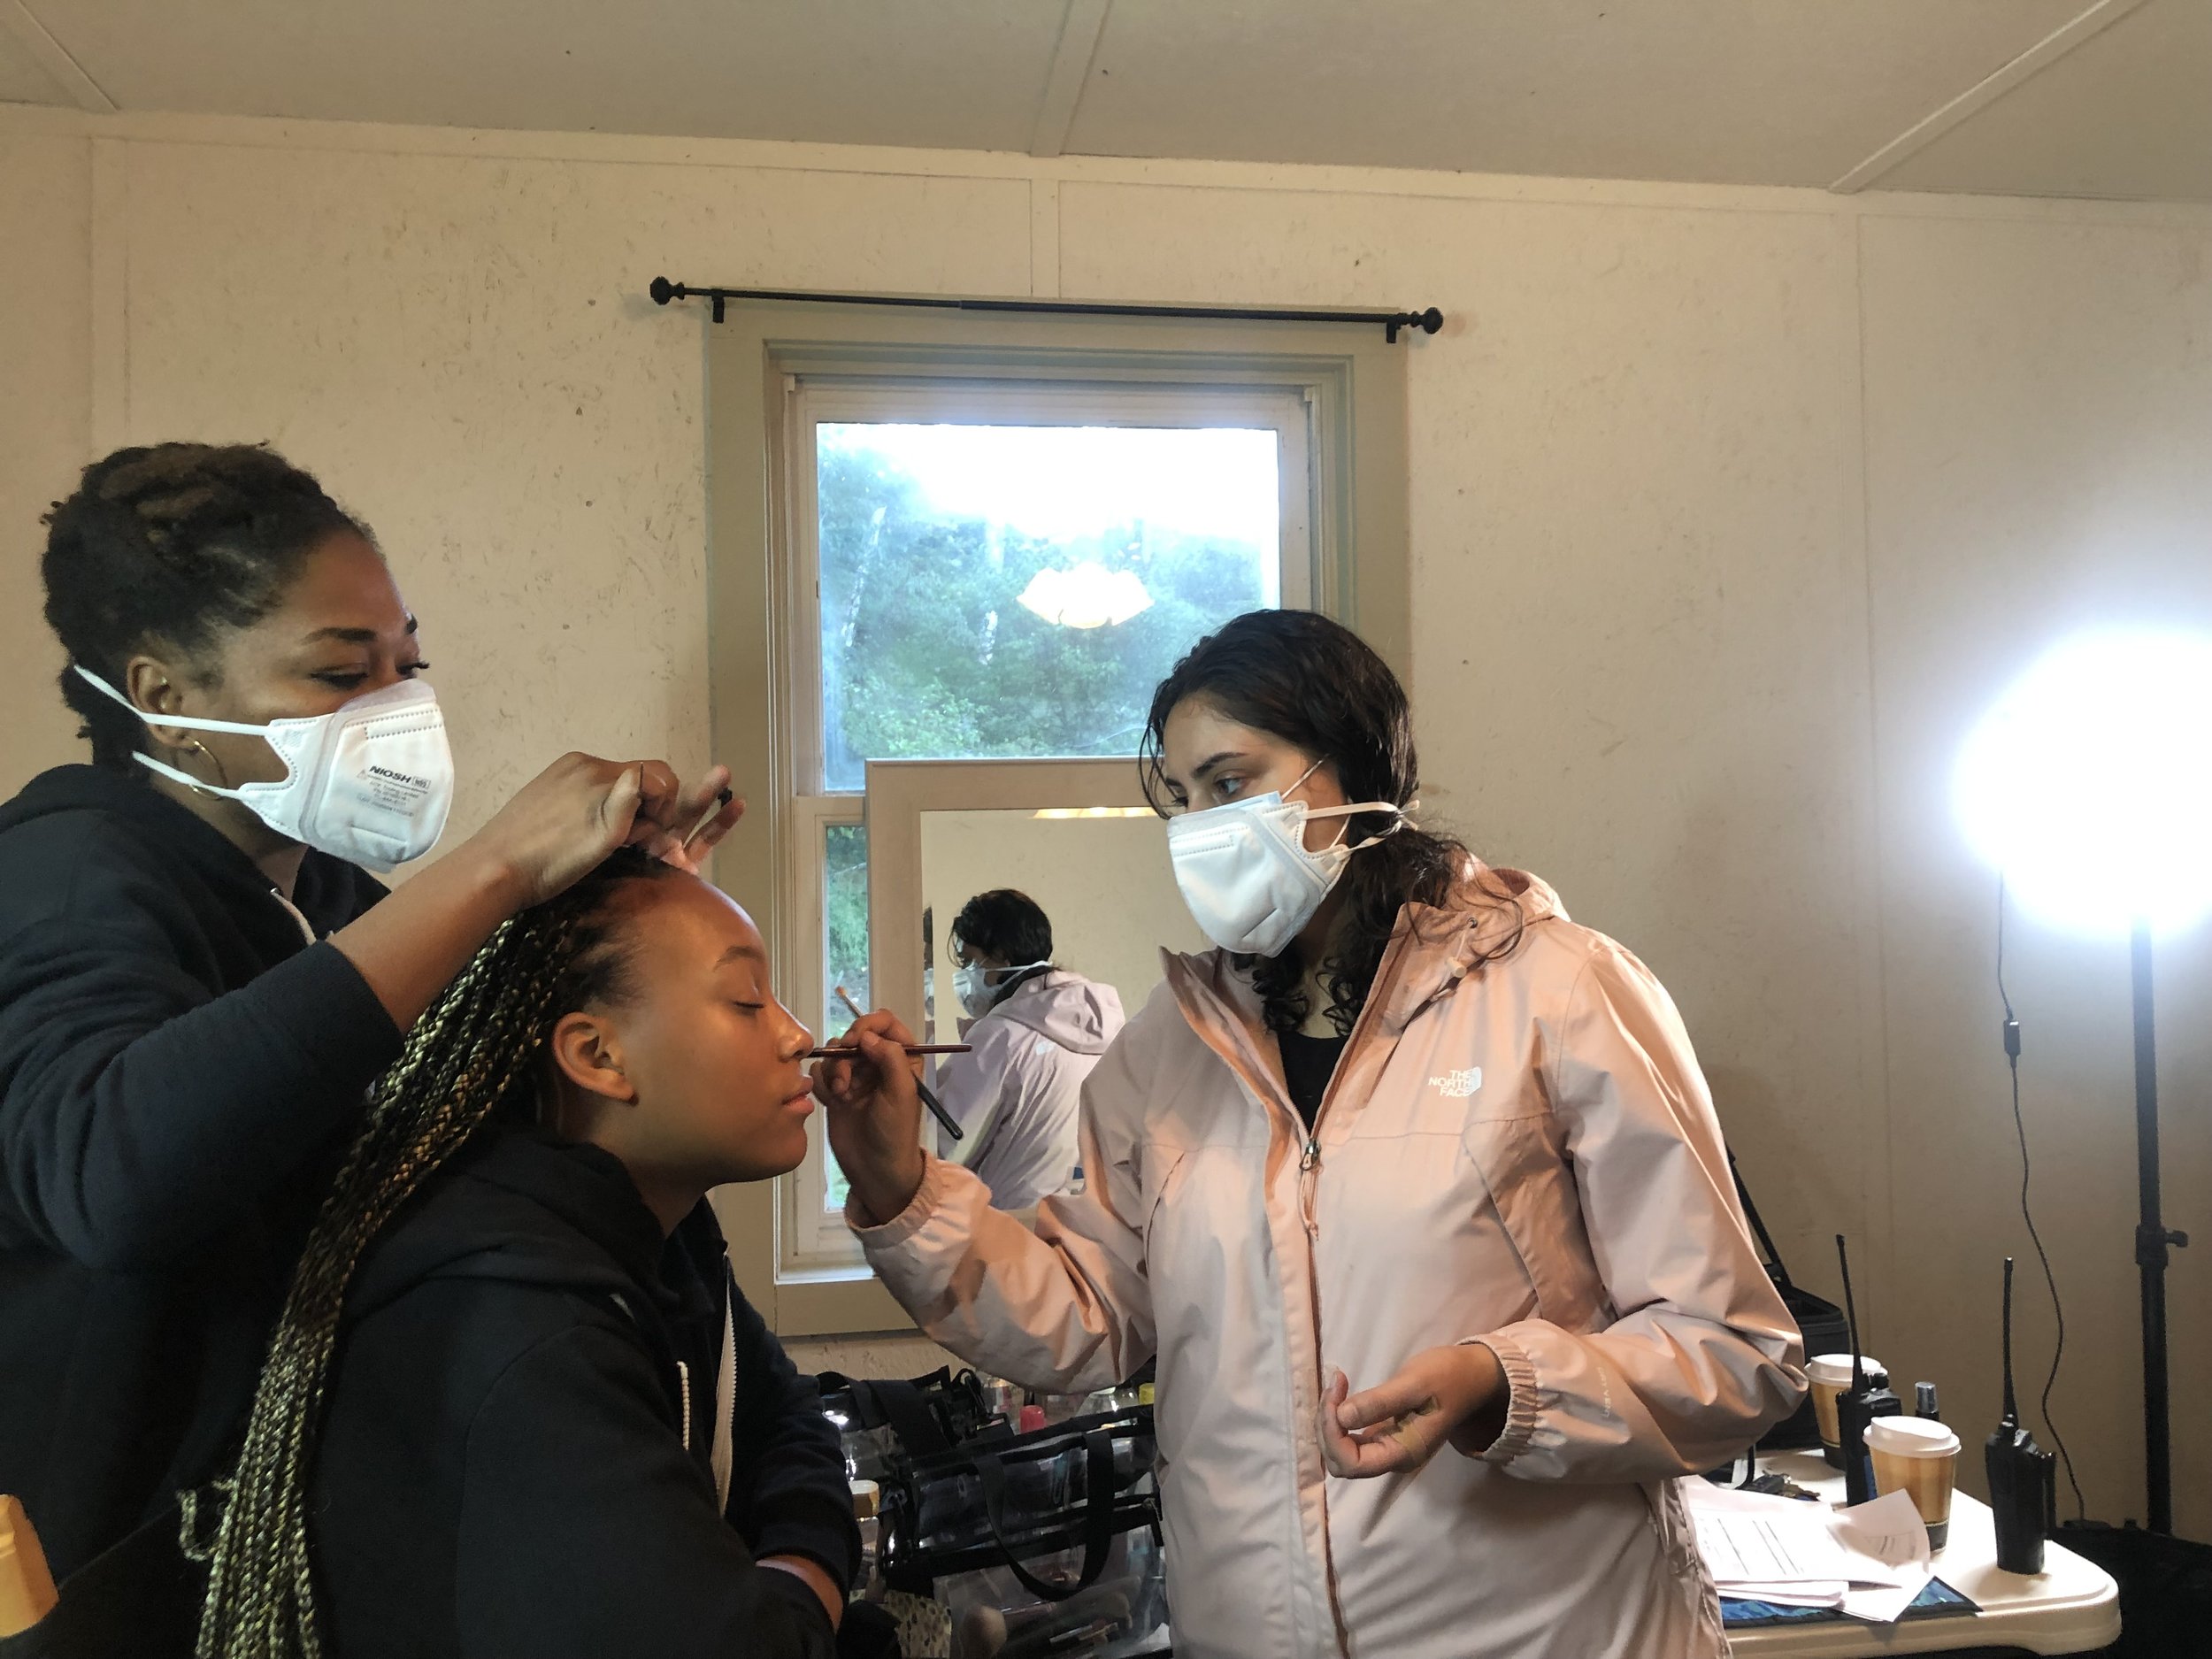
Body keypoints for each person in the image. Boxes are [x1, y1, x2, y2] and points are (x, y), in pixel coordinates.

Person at [817, 610, 1807, 1659]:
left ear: (1353, 770)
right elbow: (1085, 1314)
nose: (1199, 827)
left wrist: (1504, 1384)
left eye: (1231, 784)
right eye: (1183, 799)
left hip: (1551, 1633)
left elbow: (1734, 1354)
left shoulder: (1561, 993)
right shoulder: (1170, 1050)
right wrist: (899, 1185)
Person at [0, 444, 741, 1642]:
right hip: (111, 1579)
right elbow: (117, 1172)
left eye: (409, 662)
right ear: (165, 693)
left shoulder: (334, 899)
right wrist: (490, 869)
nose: (398, 705)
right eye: (343, 671)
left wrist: (619, 935)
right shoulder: (66, 877)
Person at [197, 851, 862, 1659]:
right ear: (597, 1055)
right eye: (747, 999)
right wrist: (805, 1568)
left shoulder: (663, 1236)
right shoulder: (527, 1332)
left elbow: (785, 1413)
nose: (797, 1036)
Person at [933, 888, 1125, 1210]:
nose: (965, 975)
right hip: (1087, 1222)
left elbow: (942, 1147)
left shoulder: (1001, 1036)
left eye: (970, 961)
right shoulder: (1108, 1026)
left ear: (1002, 955)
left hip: (1011, 1230)